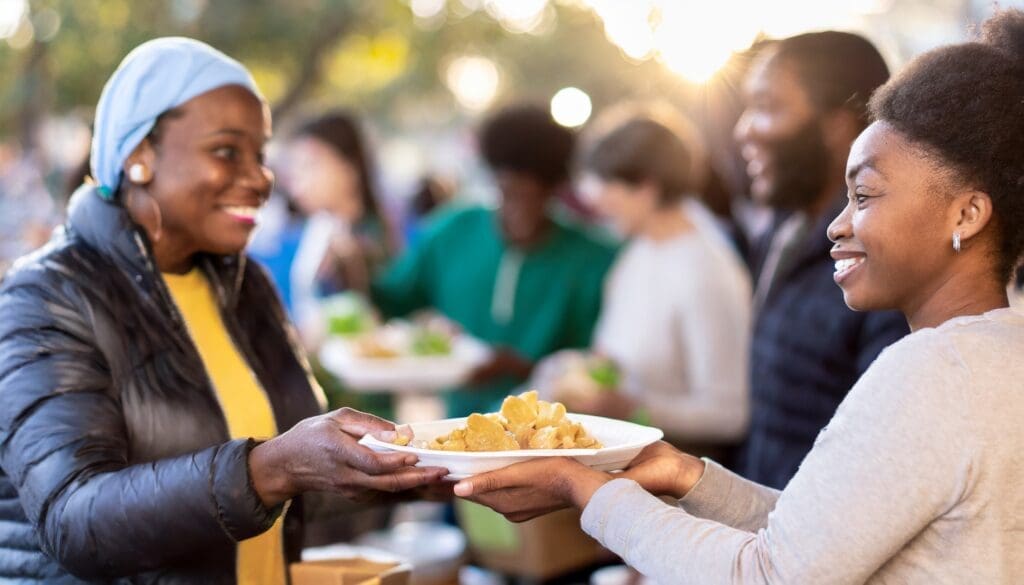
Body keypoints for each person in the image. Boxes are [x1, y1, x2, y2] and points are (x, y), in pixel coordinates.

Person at [453, 9, 1024, 583]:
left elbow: (768, 575)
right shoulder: (995, 353)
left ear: (968, 213)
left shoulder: (929, 371)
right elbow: (821, 536)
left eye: (866, 196)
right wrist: (688, 477)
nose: (838, 225)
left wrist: (579, 486)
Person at [0, 38, 446, 583]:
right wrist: (269, 469)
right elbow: (74, 519)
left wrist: (418, 467)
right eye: (227, 151)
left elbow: (291, 480)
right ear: (139, 156)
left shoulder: (245, 286)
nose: (261, 178)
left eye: (261, 155)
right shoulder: (45, 296)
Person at [732, 31, 909, 488]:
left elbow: (877, 463)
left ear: (838, 127)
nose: (743, 129)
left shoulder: (884, 258)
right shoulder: (781, 232)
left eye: (768, 107)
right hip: (763, 539)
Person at [371, 104, 618, 417]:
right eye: (509, 193)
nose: (519, 211)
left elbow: (594, 364)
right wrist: (354, 271)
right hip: (456, 427)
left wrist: (522, 367)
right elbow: (392, 299)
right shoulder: (453, 231)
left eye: (534, 198)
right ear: (494, 182)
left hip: (550, 433)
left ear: (555, 191)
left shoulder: (593, 257)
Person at [554, 105, 751, 450]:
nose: (595, 200)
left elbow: (730, 413)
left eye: (605, 184)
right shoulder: (638, 251)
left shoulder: (705, 271)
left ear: (646, 187)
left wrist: (632, 409)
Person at [282, 111, 398, 346]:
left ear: (350, 166)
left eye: (311, 165)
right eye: (294, 171)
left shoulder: (375, 238)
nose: (298, 184)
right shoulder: (311, 231)